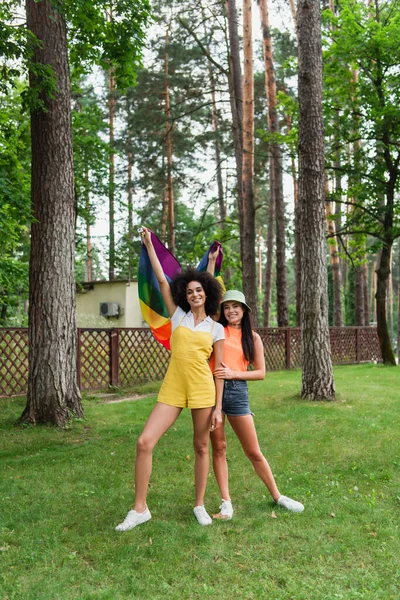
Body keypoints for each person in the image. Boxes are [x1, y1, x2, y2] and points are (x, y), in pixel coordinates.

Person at [115, 227, 225, 531]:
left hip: (203, 390)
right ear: (184, 295)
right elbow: (163, 279)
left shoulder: (217, 329)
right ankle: (140, 509)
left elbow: (219, 370)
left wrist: (218, 407)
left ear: (207, 293)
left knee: (201, 447)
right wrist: (149, 244)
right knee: (144, 442)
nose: (194, 294)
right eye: (189, 291)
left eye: (199, 290)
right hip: (173, 387)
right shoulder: (177, 317)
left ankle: (199, 504)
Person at [207, 253, 304, 518]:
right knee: (219, 447)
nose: (231, 311)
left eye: (236, 307)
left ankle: (277, 496)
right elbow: (206, 291)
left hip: (237, 394)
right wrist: (212, 263)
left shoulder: (254, 338)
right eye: (227, 307)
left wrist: (234, 374)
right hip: (210, 392)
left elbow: (261, 373)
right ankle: (226, 501)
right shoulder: (215, 330)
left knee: (253, 451)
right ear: (222, 310)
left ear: (245, 310)